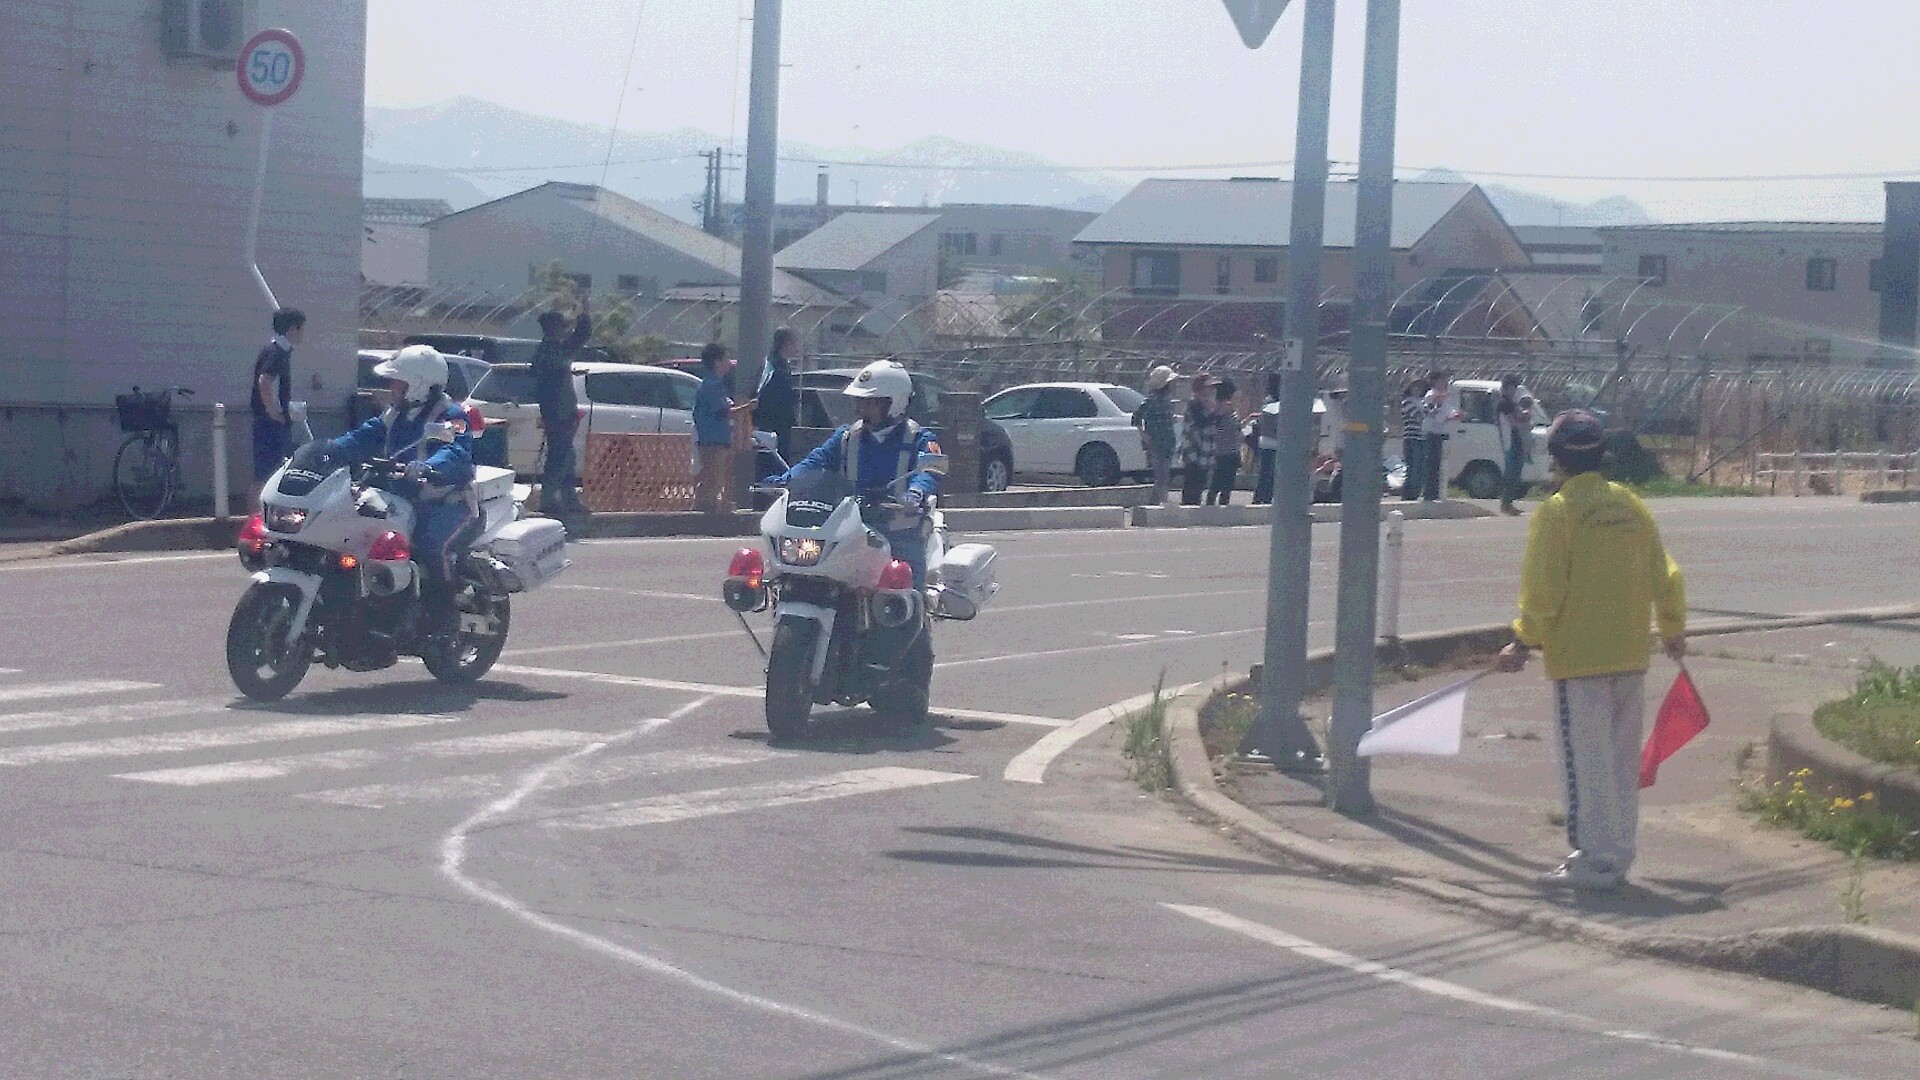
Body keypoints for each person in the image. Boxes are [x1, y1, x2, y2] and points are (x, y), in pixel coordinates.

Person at [1496, 409, 1687, 892]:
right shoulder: (1630, 505)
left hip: (1579, 661)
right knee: (1621, 764)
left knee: (1586, 765)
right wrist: (1672, 628)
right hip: (1630, 654)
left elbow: (1543, 591)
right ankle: (1617, 855)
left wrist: (1523, 639)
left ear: (1556, 458)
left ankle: (1593, 861)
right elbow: (1665, 574)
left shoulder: (1558, 512)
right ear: (1602, 454)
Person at [326, 345, 478, 635]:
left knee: (431, 546)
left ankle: (444, 616)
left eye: (398, 383)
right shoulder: (395, 413)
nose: (392, 388)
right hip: (398, 499)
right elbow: (366, 435)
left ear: (419, 385)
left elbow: (457, 451)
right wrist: (329, 449)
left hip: (446, 503)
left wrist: (428, 465)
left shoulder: (452, 414)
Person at [763, 359, 941, 588]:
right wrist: (786, 480)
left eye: (870, 403)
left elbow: (931, 469)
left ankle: (916, 606)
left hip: (899, 529)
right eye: (860, 401)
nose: (861, 408)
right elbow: (816, 460)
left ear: (894, 403)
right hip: (852, 526)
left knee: (905, 586)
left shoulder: (919, 438)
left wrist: (916, 491)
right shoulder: (847, 436)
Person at [532, 301, 591, 516]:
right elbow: (581, 336)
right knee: (559, 457)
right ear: (554, 327)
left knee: (566, 456)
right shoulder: (553, 351)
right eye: (563, 325)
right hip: (559, 413)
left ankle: (569, 499)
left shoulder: (546, 351)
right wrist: (584, 314)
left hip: (556, 412)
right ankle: (549, 500)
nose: (566, 329)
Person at [250, 307, 304, 505]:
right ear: (292, 330)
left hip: (272, 421)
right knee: (265, 474)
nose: (302, 334)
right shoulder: (276, 353)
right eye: (300, 329)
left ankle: (262, 516)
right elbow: (265, 380)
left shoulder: (279, 351)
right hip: (269, 423)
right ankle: (255, 517)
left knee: (272, 472)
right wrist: (273, 412)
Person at [692, 343, 751, 514]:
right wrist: (747, 407)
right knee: (712, 481)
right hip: (713, 441)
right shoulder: (713, 385)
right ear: (717, 362)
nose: (730, 362)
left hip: (712, 440)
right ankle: (702, 516)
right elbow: (723, 412)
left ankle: (702, 514)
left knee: (711, 479)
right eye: (726, 358)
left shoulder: (712, 383)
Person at [1132, 365, 1178, 505]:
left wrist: (1171, 419)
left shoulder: (1167, 401)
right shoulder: (1151, 401)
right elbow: (1136, 418)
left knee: (1165, 475)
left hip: (1168, 442)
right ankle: (1157, 503)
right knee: (1161, 476)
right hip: (1157, 442)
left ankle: (1160, 502)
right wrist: (1144, 435)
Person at [755, 328, 801, 464]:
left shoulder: (782, 365)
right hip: (775, 423)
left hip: (780, 423)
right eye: (794, 343)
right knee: (774, 461)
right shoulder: (773, 366)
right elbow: (766, 394)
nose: (796, 347)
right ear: (786, 343)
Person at [1417, 369, 1460, 502]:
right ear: (1434, 381)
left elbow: (1448, 412)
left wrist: (1455, 415)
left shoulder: (1444, 397)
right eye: (1442, 379)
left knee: (1437, 465)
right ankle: (1428, 494)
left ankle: (1434, 493)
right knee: (1431, 464)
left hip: (1440, 435)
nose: (1445, 382)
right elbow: (1433, 415)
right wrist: (1439, 404)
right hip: (1431, 434)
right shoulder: (1431, 395)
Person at [1495, 375, 1531, 515]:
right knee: (1511, 472)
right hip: (1509, 439)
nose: (1513, 391)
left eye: (1514, 388)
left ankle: (1508, 503)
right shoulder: (1504, 403)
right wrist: (1524, 417)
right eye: (1511, 387)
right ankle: (1506, 504)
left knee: (1516, 472)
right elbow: (1513, 421)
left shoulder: (1511, 403)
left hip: (1515, 438)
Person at [1178, 374, 1215, 506]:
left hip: (1205, 452)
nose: (1210, 390)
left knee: (1200, 485)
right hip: (1193, 452)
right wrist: (1213, 410)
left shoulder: (1207, 405)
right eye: (1207, 387)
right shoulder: (1193, 404)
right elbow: (1201, 422)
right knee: (1191, 485)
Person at [1206, 379, 1241, 506]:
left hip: (1230, 451)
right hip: (1223, 453)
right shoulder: (1223, 407)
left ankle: (1220, 509)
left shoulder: (1226, 408)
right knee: (1217, 485)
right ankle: (1211, 509)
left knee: (1225, 487)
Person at [1251, 372, 1281, 505]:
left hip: (1270, 442)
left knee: (1268, 474)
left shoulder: (1269, 401)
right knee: (1266, 474)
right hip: (1270, 442)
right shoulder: (1271, 402)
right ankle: (1260, 500)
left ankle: (1264, 499)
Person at [1400, 379, 1429, 503]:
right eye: (1414, 387)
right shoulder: (1407, 402)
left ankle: (1416, 494)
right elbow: (1420, 417)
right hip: (1411, 439)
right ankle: (1408, 495)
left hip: (1422, 438)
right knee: (1413, 468)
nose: (1417, 389)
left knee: (1421, 468)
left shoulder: (1423, 402)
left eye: (1419, 387)